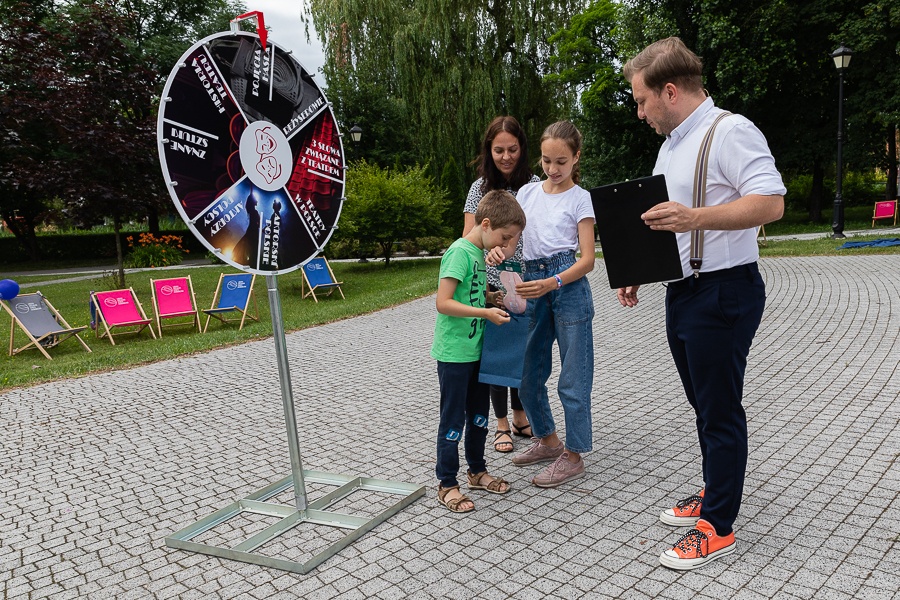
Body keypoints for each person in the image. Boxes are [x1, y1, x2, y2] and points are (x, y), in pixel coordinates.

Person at [619, 37, 785, 570]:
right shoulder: (670, 144)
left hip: (725, 289)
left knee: (718, 408)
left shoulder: (730, 131)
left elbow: (771, 202)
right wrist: (640, 272)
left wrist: (695, 218)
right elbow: (665, 221)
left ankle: (718, 525)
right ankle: (716, 487)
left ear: (670, 91)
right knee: (702, 403)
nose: (639, 111)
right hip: (683, 289)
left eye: (642, 100)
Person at [511, 120, 596, 488]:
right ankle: (547, 440)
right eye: (546, 160)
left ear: (576, 157)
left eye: (561, 161)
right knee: (528, 374)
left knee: (573, 378)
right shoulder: (526, 194)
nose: (552, 169)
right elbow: (512, 240)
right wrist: (502, 250)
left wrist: (554, 281)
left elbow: (588, 259)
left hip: (567, 285)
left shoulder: (581, 198)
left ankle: (574, 455)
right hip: (532, 283)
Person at [431, 190, 527, 512]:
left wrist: (491, 299)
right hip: (455, 355)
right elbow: (443, 303)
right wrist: (484, 313)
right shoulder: (459, 253)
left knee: (479, 417)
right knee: (453, 418)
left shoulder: (478, 254)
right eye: (504, 238)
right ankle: (447, 483)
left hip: (476, 352)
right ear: (485, 224)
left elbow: (472, 293)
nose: (505, 246)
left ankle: (477, 470)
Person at [463, 116, 540, 454]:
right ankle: (501, 424)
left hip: (525, 282)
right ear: (488, 151)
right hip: (492, 284)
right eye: (499, 150)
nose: (506, 156)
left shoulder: (534, 185)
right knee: (495, 354)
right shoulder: (479, 188)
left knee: (524, 354)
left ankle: (521, 416)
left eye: (512, 149)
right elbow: (468, 238)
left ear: (522, 149)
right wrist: (486, 247)